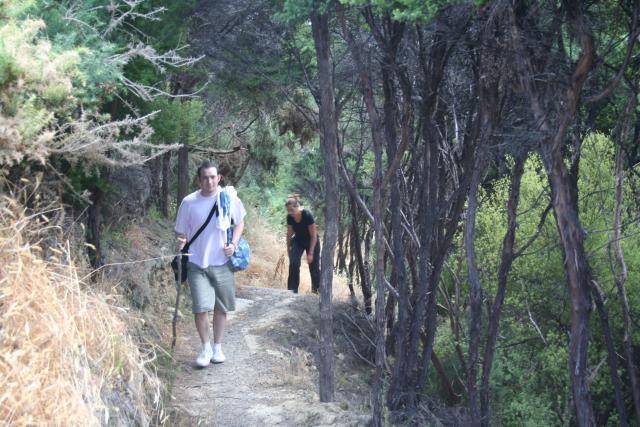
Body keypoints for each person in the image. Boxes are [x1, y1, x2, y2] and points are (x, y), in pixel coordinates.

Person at [175, 161, 246, 368]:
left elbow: (240, 221)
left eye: (213, 177)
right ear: (198, 180)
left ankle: (217, 347)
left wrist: (233, 244)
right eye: (205, 177)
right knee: (200, 308)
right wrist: (181, 240)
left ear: (219, 178)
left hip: (222, 262)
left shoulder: (228, 198)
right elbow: (181, 231)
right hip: (197, 261)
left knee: (221, 307)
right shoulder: (188, 202)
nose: (209, 181)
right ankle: (205, 347)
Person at [285, 194, 320, 294]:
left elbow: (313, 236)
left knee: (314, 267)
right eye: (288, 210)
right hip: (298, 240)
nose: (290, 212)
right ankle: (291, 291)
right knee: (293, 263)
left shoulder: (307, 215)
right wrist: (288, 249)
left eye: (291, 210)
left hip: (312, 241)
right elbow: (289, 234)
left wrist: (311, 253)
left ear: (297, 207)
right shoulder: (290, 217)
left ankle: (316, 292)